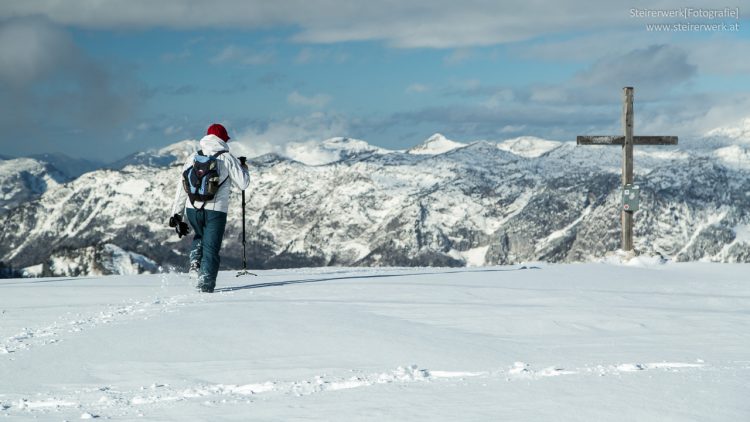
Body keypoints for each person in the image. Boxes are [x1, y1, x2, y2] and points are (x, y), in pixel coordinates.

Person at [168, 123, 250, 292]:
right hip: (216, 210)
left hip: (192, 209)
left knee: (200, 234)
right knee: (211, 248)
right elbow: (243, 183)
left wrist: (176, 214)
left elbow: (182, 186)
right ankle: (205, 288)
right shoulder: (226, 158)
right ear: (222, 139)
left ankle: (195, 263)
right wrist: (243, 168)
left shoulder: (193, 156)